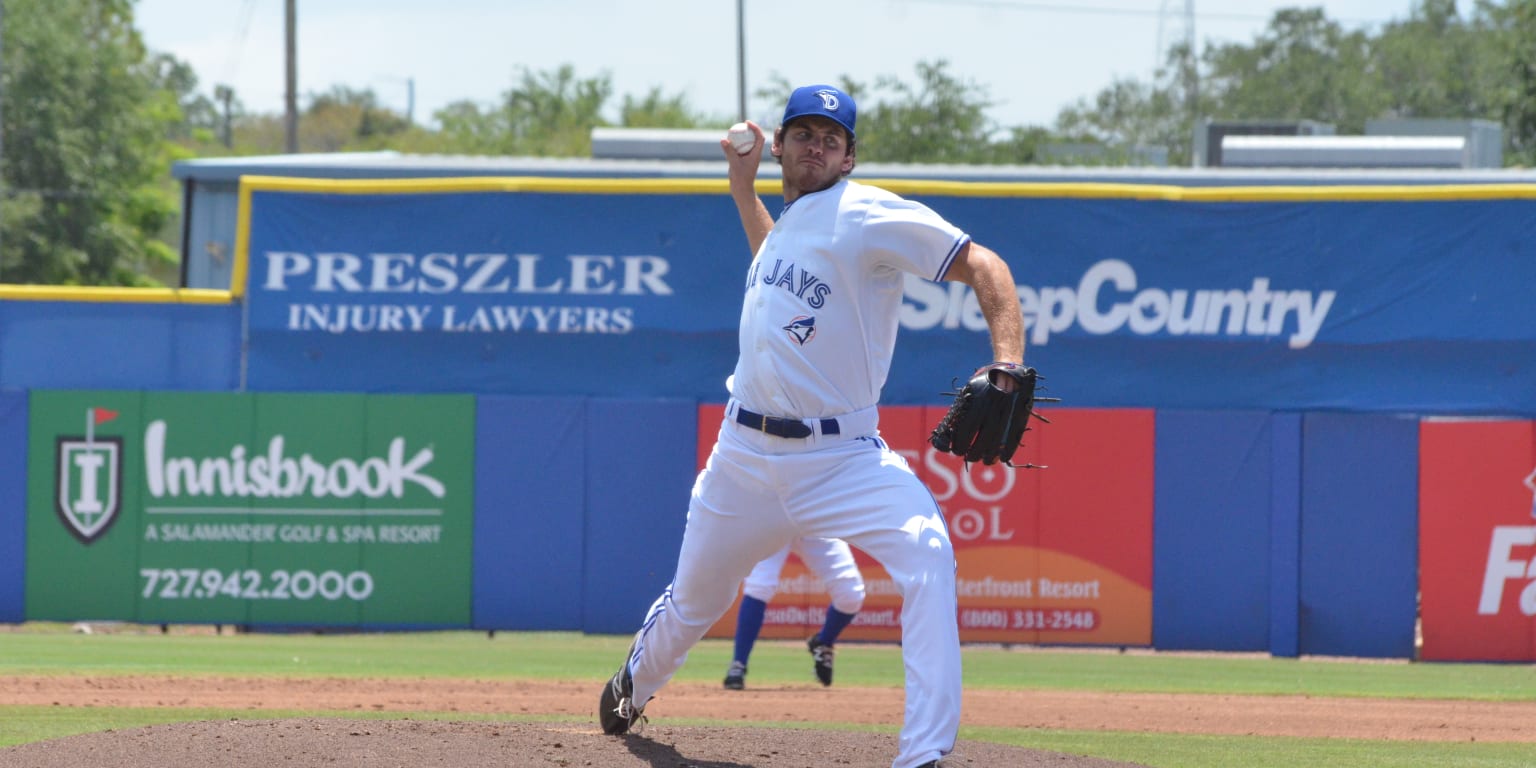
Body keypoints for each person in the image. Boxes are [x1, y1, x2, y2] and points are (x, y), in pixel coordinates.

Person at [599, 83, 1026, 768]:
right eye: (804, 133)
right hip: (743, 457)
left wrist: (1006, 362)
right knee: (694, 605)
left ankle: (922, 756)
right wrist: (743, 191)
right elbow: (779, 257)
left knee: (927, 556)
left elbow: (984, 264)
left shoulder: (866, 212)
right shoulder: (794, 225)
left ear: (849, 157)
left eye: (832, 138)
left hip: (843, 458)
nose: (817, 146)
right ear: (780, 145)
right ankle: (633, 685)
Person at [723, 535, 865, 690]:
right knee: (759, 586)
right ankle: (738, 664)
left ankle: (823, 642)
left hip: (812, 521)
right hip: (773, 521)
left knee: (851, 594)